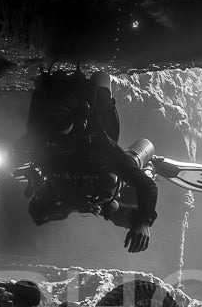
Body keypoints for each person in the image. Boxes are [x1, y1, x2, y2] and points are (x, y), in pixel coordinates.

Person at [13, 70, 158, 253]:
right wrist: (32, 178)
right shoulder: (37, 141)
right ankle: (102, 205)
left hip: (99, 185)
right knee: (38, 214)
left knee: (111, 184)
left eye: (60, 122)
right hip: (73, 190)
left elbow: (146, 186)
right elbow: (19, 158)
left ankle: (146, 165)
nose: (55, 134)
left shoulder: (96, 144)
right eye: (49, 124)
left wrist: (143, 222)